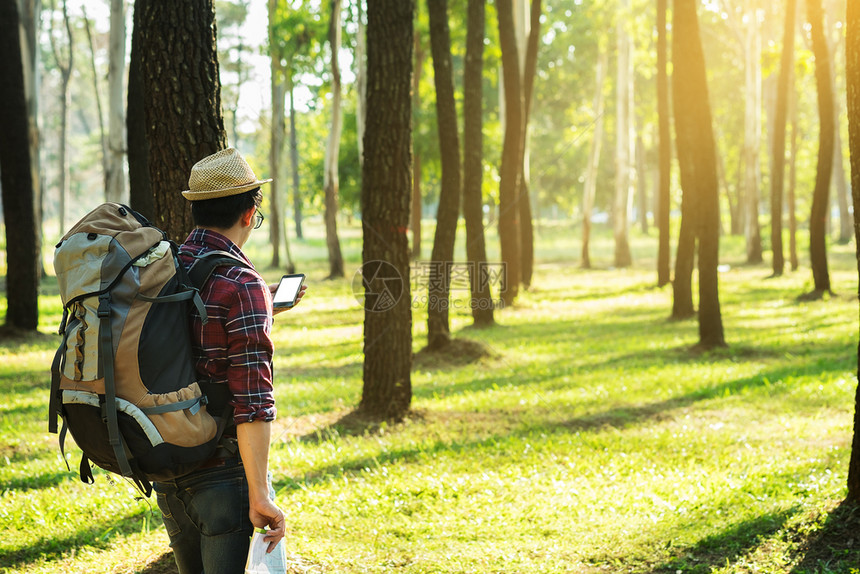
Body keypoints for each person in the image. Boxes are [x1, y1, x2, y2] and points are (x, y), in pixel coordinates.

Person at [153, 147, 304, 574]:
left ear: (197, 209)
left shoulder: (170, 264)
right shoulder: (241, 284)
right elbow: (253, 400)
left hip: (170, 466)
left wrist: (263, 305)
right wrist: (260, 494)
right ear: (249, 212)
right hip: (223, 474)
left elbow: (192, 340)